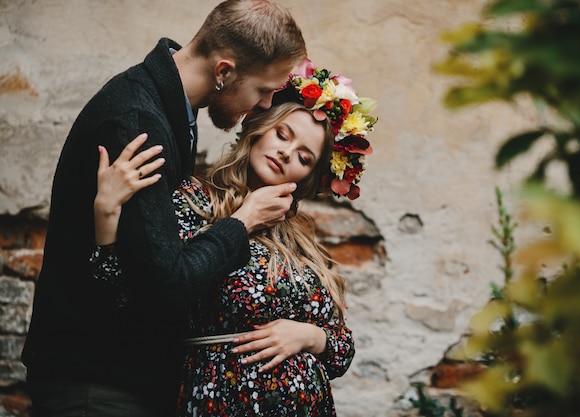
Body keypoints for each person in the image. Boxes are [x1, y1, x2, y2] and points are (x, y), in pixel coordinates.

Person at [21, 1, 307, 416]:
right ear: (224, 72)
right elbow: (165, 283)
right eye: (263, 90)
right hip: (95, 383)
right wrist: (243, 220)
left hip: (123, 377)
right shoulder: (138, 123)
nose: (264, 105)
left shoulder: (171, 110)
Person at [92, 62, 378, 416]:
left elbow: (340, 349)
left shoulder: (299, 239)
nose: (287, 153)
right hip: (221, 400)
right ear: (260, 130)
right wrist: (106, 213)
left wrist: (307, 336)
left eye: (304, 157)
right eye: (282, 135)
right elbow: (129, 297)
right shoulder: (192, 202)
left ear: (307, 178)